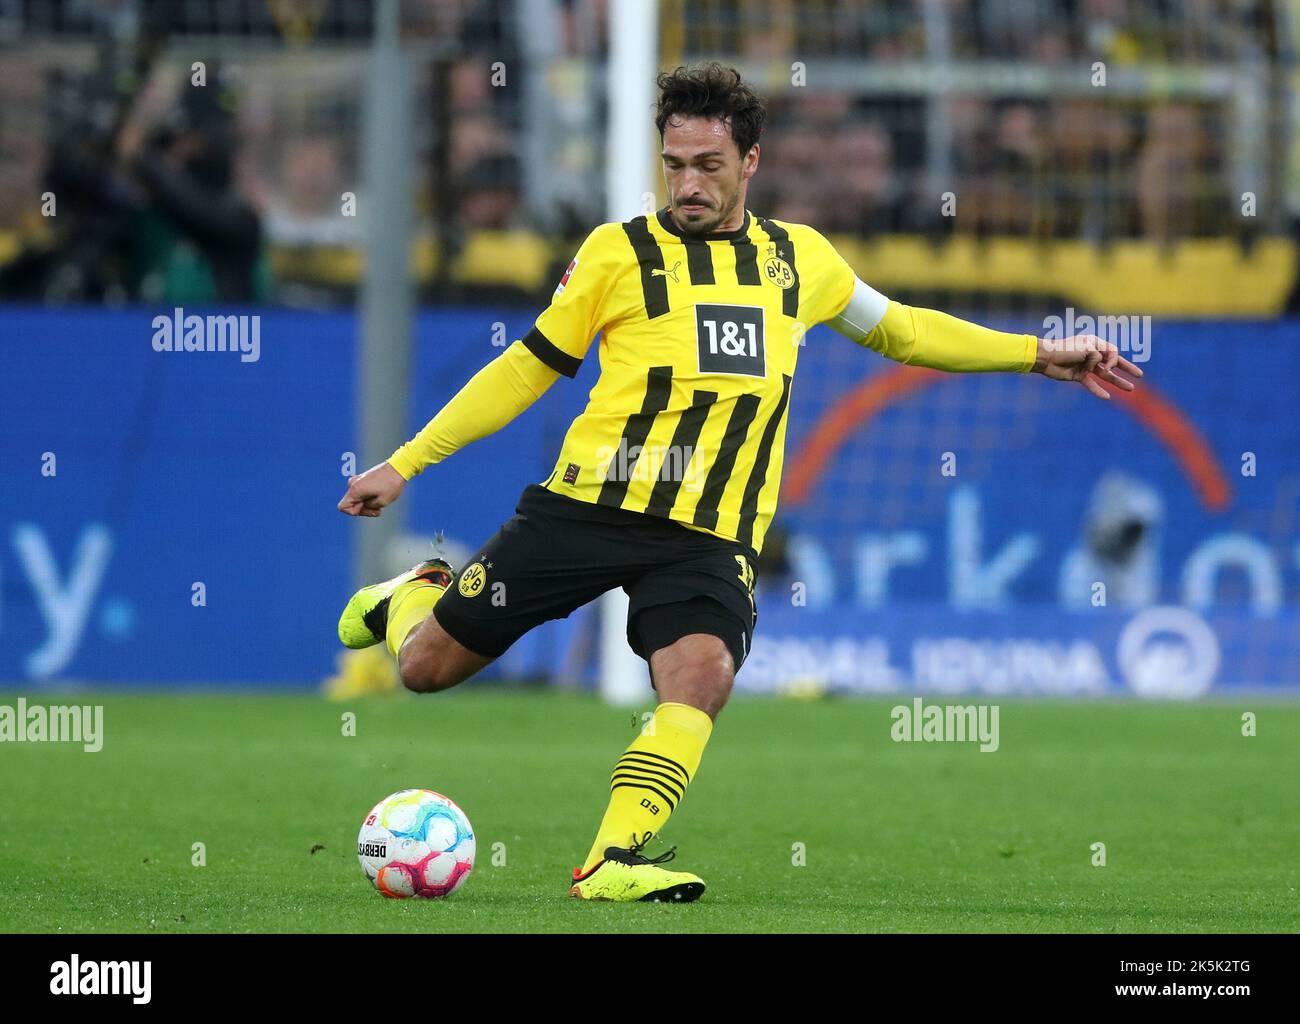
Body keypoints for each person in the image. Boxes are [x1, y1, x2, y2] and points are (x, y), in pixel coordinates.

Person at [335, 63, 1142, 903]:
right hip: (587, 508)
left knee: (703, 673)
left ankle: (610, 862)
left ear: (750, 161)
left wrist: (1035, 352)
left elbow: (902, 331)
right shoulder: (616, 255)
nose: (687, 183)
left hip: (710, 534)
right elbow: (524, 371)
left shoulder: (800, 261)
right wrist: (407, 462)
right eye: (674, 163)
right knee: (426, 670)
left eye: (708, 166)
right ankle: (410, 599)